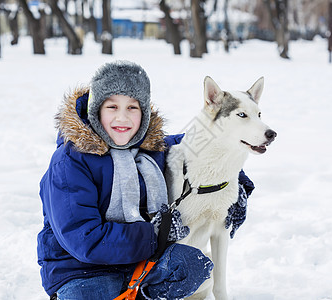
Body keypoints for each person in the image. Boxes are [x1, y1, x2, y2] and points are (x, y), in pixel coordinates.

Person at [37, 61, 254, 300]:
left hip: (138, 265)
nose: (122, 117)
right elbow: (85, 240)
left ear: (144, 113)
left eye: (132, 107)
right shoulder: (70, 161)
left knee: (192, 266)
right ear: (95, 110)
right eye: (112, 107)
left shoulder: (152, 148)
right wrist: (155, 235)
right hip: (83, 271)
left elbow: (202, 145)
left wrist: (237, 184)